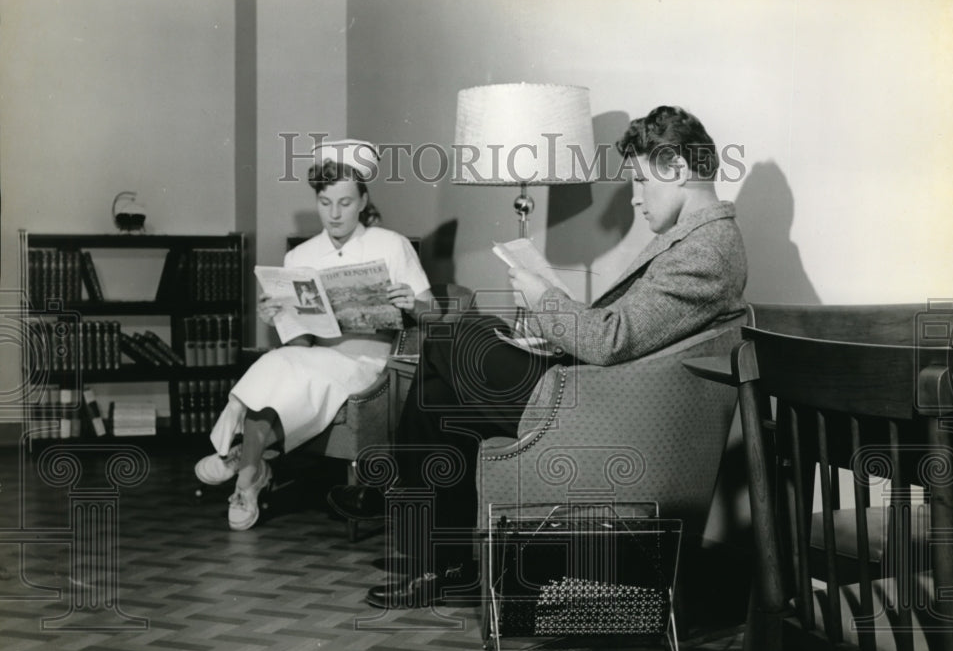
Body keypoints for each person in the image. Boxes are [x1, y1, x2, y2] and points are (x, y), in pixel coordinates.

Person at [328, 105, 749, 608]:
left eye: (639, 181)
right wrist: (553, 321)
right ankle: (445, 565)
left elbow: (610, 340)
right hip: (597, 395)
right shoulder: (700, 240)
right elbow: (633, 336)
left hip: (598, 414)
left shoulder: (706, 249)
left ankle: (394, 497)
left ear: (677, 169)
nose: (635, 198)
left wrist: (544, 299)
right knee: (447, 389)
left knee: (447, 338)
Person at [194, 139, 435, 531]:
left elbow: (435, 315)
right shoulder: (299, 257)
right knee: (277, 360)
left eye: (344, 202)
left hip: (368, 364)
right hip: (316, 357)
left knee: (278, 367)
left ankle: (239, 457)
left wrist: (411, 303)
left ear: (363, 200)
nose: (335, 214)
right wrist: (278, 318)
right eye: (325, 203)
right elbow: (300, 345)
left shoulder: (392, 245)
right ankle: (247, 478)